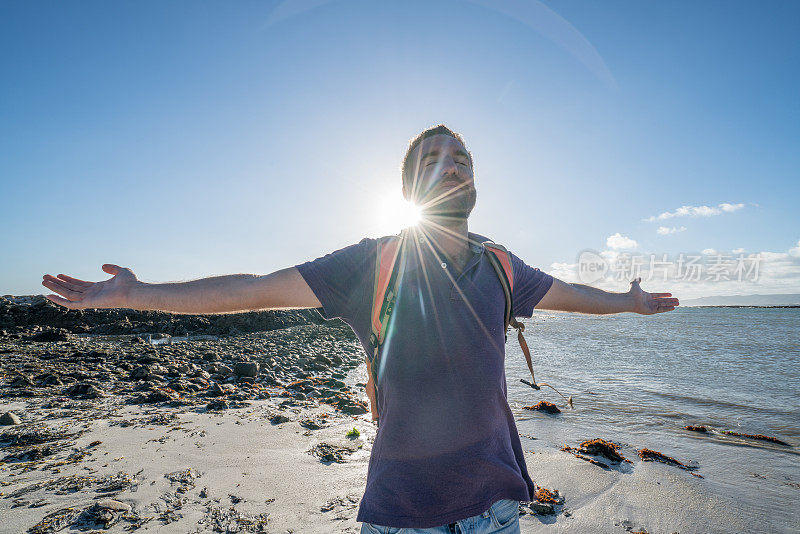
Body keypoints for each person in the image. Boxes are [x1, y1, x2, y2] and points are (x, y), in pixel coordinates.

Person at [42, 125, 679, 533]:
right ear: (410, 187)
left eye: (463, 158)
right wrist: (138, 293)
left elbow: (574, 295)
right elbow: (253, 289)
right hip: (403, 509)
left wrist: (630, 303)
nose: (453, 166)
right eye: (435, 159)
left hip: (496, 502)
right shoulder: (371, 263)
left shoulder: (500, 264)